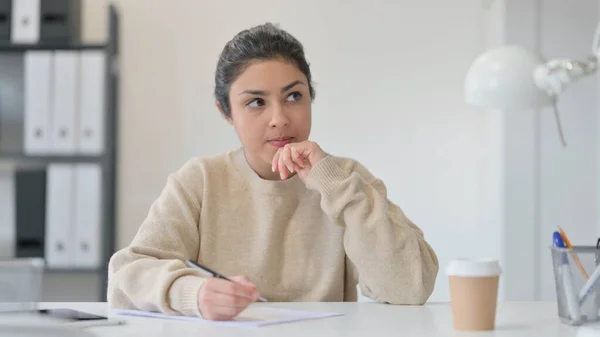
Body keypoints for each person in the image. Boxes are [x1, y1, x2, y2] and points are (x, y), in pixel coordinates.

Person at [107, 22, 439, 321]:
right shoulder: (201, 181)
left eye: (294, 96)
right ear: (226, 112)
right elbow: (126, 277)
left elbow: (411, 288)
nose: (279, 118)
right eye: (256, 102)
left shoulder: (345, 178)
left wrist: (334, 185)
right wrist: (191, 294)